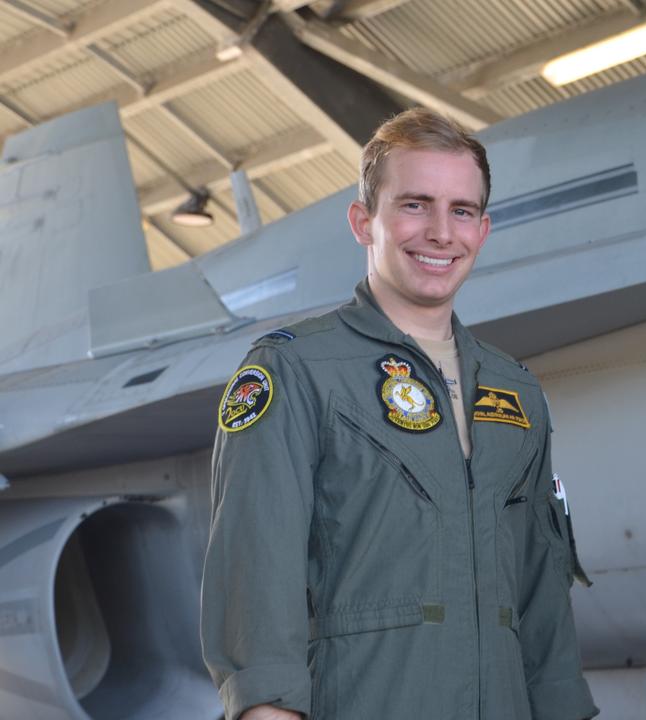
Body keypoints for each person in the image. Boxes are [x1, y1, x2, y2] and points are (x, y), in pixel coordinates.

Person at [201, 108, 598, 720]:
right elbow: (256, 566)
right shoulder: (297, 369)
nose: (441, 232)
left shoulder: (516, 392)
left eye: (461, 211)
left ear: (483, 230)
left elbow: (542, 593)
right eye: (415, 205)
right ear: (364, 222)